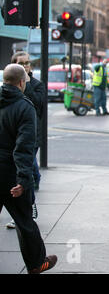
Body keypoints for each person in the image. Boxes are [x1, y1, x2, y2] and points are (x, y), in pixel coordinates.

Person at [0, 64, 57, 274]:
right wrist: (24, 180)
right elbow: (23, 148)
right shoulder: (25, 107)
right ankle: (36, 263)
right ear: (22, 82)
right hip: (10, 174)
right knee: (24, 220)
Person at [6, 51, 44, 229]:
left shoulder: (36, 85)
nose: (25, 65)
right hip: (12, 137)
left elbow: (38, 105)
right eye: (21, 63)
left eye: (28, 62)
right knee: (25, 170)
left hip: (31, 136)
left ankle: (29, 204)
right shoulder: (7, 87)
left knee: (26, 169)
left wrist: (25, 84)